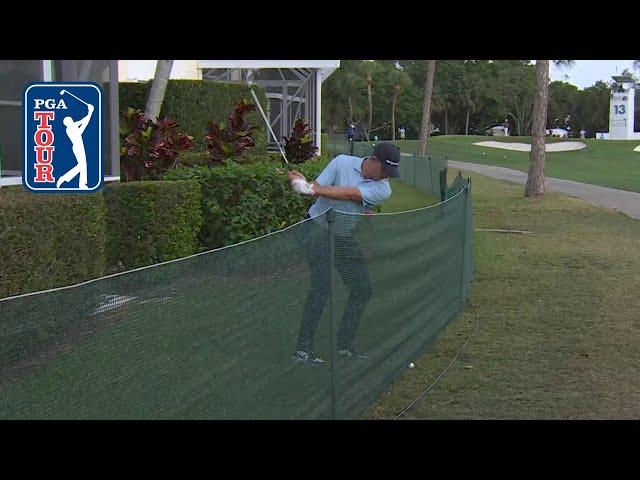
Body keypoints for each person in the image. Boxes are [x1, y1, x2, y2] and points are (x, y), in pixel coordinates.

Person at [288, 142, 401, 365]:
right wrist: (305, 185)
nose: (386, 176)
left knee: (362, 289)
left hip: (343, 236)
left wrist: (309, 187)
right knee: (322, 286)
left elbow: (350, 195)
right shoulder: (341, 162)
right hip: (316, 229)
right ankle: (302, 350)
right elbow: (318, 187)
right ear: (373, 159)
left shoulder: (383, 188)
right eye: (385, 170)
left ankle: (343, 346)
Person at [56, 103, 94, 189]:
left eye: (71, 119)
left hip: (80, 146)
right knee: (81, 166)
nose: (72, 120)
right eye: (70, 120)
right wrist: (90, 112)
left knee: (83, 165)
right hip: (77, 147)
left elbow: (84, 123)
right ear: (67, 123)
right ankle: (65, 178)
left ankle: (81, 184)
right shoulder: (70, 129)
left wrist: (90, 112)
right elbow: (83, 122)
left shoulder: (73, 127)